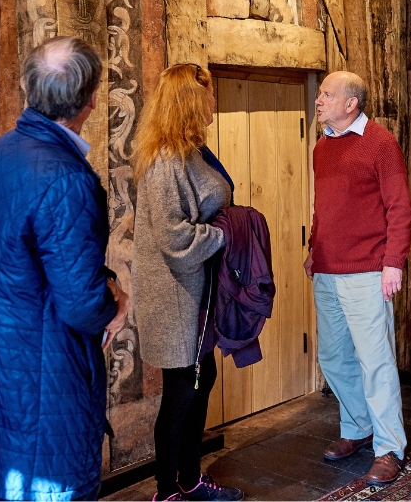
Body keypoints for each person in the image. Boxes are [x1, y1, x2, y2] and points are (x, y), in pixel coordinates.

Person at [0, 36, 130, 501]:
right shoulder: (66, 177)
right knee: (50, 485)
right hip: (41, 368)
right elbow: (81, 304)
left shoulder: (2, 151)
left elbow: (26, 256)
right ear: (92, 100)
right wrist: (115, 303)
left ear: (28, 88)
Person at [132, 64, 242, 502]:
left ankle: (191, 479)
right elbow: (175, 237)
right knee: (181, 392)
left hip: (197, 290)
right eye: (207, 95)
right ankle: (166, 491)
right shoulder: (164, 161)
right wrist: (223, 235)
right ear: (188, 102)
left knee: (202, 379)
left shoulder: (191, 152)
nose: (213, 103)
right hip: (174, 293)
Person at [304, 71, 411, 485]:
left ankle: (389, 447)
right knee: (333, 357)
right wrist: (315, 246)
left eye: (328, 94)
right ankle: (357, 428)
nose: (319, 100)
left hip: (368, 271)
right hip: (328, 270)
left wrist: (393, 262)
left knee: (376, 362)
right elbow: (323, 207)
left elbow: (400, 208)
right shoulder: (321, 147)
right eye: (320, 94)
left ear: (352, 103)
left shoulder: (380, 144)